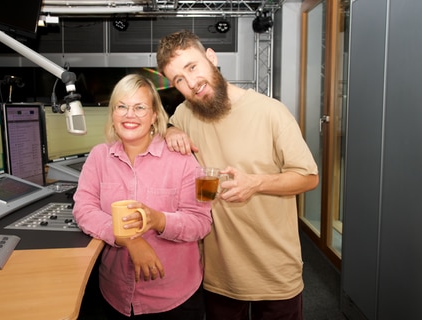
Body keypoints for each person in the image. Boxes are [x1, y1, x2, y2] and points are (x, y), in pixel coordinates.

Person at [156, 30, 319, 320]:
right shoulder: (185, 115)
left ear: (211, 57)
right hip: (221, 275)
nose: (191, 83)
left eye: (192, 67)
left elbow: (308, 177)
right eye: (179, 79)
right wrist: (171, 130)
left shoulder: (272, 112)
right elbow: (164, 127)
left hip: (275, 271)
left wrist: (257, 182)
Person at [72, 73, 212, 319]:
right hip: (114, 293)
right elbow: (84, 209)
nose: (129, 115)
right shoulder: (98, 157)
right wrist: (129, 239)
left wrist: (158, 220)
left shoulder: (183, 160)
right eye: (122, 107)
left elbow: (201, 222)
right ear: (113, 113)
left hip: (174, 298)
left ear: (154, 115)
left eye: (139, 107)